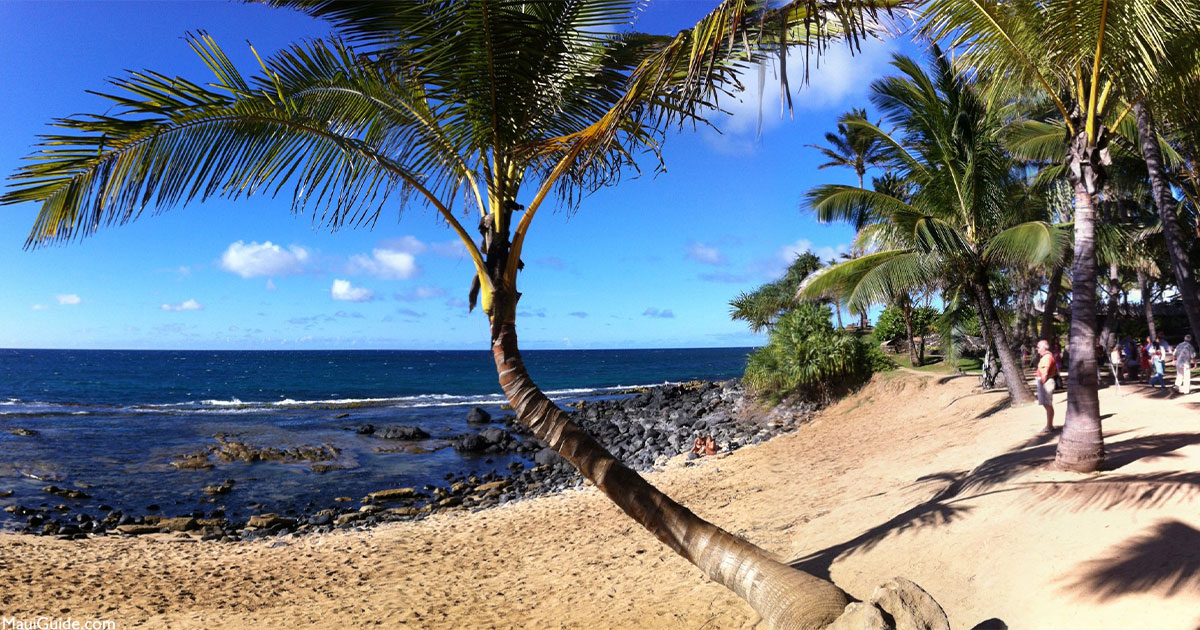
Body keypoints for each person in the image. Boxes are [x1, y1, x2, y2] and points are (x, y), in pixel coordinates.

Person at [1036, 339, 1058, 434]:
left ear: (1044, 347)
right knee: (1047, 405)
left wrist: (1041, 383)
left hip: (1046, 382)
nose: (1037, 349)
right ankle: (1049, 425)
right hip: (1046, 381)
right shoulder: (1046, 357)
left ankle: (1049, 426)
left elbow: (1045, 372)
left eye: (1038, 347)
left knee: (1048, 405)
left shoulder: (1046, 357)